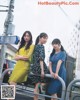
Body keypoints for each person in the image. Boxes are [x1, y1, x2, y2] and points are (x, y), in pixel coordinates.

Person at [8, 31, 34, 100]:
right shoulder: (21, 45)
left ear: (30, 37)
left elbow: (27, 57)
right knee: (10, 81)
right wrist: (21, 57)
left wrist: (19, 56)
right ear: (23, 37)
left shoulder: (32, 46)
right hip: (17, 66)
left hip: (24, 67)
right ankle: (9, 98)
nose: (26, 37)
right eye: (25, 36)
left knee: (13, 81)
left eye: (28, 36)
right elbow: (15, 57)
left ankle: (9, 99)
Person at [31, 33, 49, 100]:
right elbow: (41, 59)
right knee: (36, 88)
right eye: (44, 38)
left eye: (46, 38)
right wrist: (42, 70)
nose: (46, 40)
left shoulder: (35, 46)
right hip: (38, 68)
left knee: (37, 87)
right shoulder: (41, 46)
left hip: (34, 67)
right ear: (40, 38)